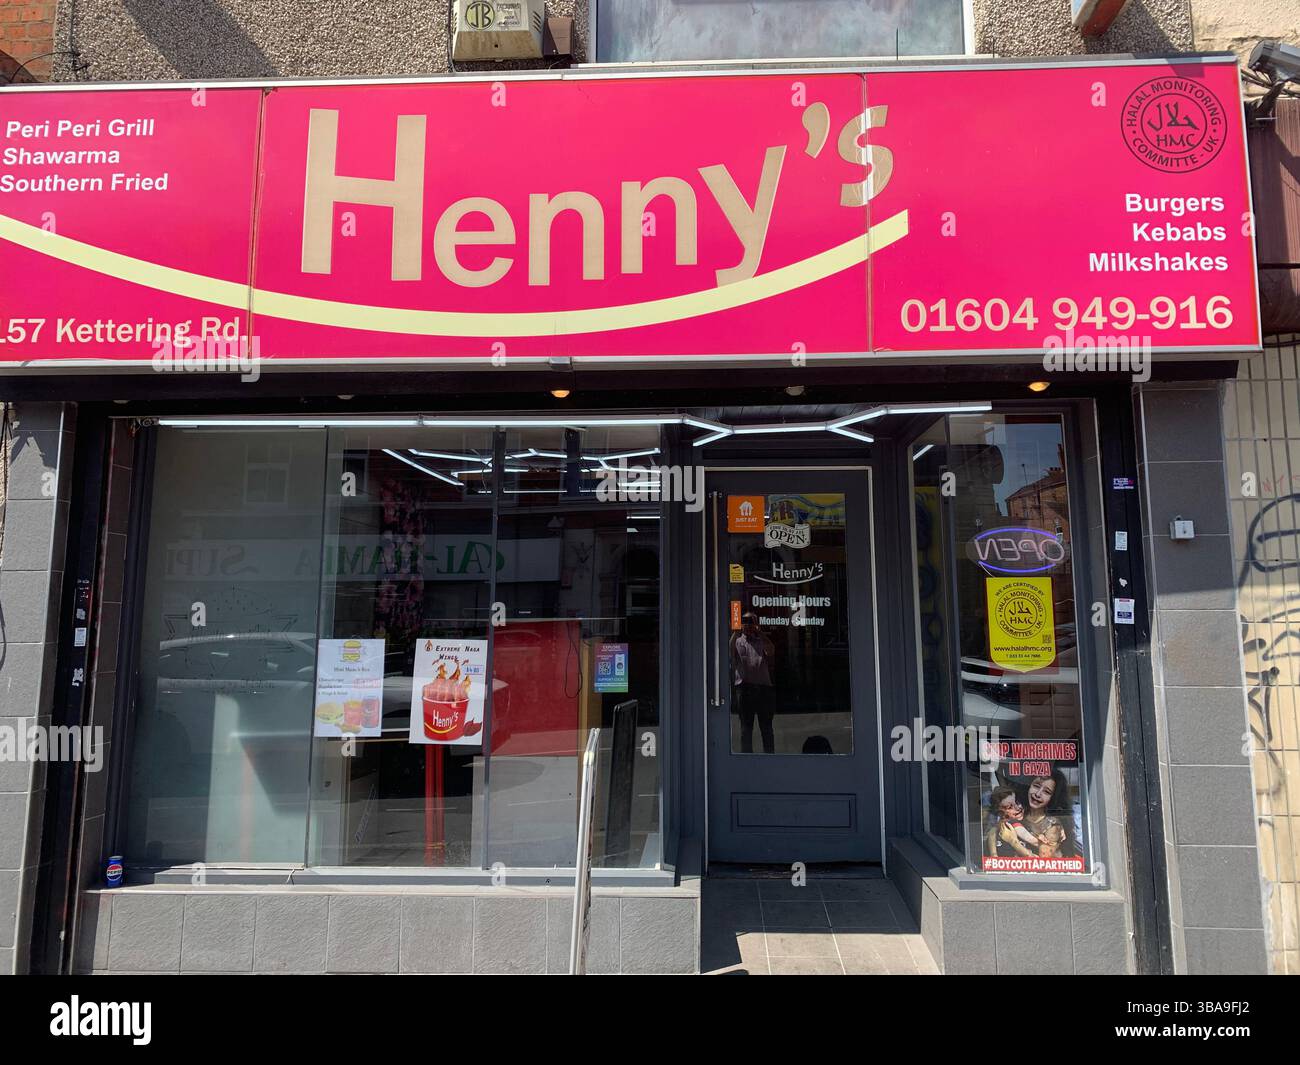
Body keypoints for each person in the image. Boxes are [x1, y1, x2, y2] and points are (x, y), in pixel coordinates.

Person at [730, 611, 776, 753]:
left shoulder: (761, 641)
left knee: (766, 727)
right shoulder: (737, 641)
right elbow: (729, 651)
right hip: (745, 689)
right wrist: (735, 632)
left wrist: (760, 633)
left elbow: (771, 651)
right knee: (746, 728)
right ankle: (746, 760)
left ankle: (770, 758)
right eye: (745, 621)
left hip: (763, 688)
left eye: (751, 622)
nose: (748, 625)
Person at [1018, 770, 1081, 860]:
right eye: (1036, 786)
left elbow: (1044, 858)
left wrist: (1013, 842)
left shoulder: (1054, 825)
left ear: (1054, 798)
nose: (1038, 794)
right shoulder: (1015, 812)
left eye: (1046, 792)